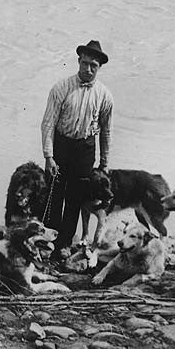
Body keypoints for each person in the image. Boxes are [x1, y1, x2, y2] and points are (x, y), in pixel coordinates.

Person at [40, 40, 113, 261]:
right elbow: (48, 123)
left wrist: (104, 163)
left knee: (75, 200)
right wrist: (49, 156)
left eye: (94, 66)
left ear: (99, 67)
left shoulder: (105, 95)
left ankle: (64, 243)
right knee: (54, 196)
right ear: (78, 61)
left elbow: (106, 131)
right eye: (85, 63)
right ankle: (48, 242)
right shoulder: (61, 88)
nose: (88, 69)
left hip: (85, 150)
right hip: (62, 145)